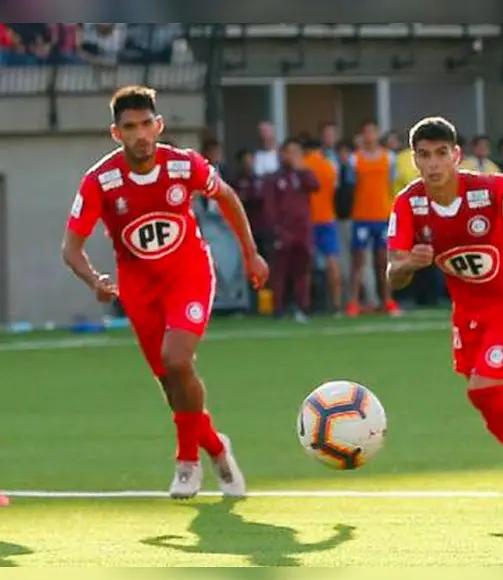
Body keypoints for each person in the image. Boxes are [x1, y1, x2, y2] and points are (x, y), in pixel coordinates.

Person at [60, 85, 269, 498]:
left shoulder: (182, 165)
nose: (140, 135)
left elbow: (226, 196)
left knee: (177, 359)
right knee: (171, 383)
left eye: (145, 125)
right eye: (129, 127)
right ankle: (215, 446)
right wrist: (94, 280)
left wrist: (251, 253)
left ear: (159, 125)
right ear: (115, 133)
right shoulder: (100, 180)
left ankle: (187, 461)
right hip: (138, 288)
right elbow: (71, 247)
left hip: (188, 274)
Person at [387, 117, 503, 493]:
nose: (433, 163)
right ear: (414, 159)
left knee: (482, 389)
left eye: (440, 154)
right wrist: (408, 265)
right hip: (466, 312)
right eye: (424, 155)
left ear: (457, 155)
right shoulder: (409, 203)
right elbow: (392, 274)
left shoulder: (490, 188)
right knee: (486, 401)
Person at [347, 119, 400, 317]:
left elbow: (391, 184)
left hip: (382, 215)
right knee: (358, 261)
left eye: (373, 132)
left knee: (383, 260)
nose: (370, 136)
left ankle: (388, 300)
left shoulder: (389, 158)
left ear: (377, 134)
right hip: (362, 215)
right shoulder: (355, 159)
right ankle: (353, 301)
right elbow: (351, 186)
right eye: (366, 132)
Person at [263, 138, 320, 321]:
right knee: (280, 271)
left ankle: (302, 307)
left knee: (302, 270)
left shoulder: (303, 175)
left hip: (302, 230)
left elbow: (315, 186)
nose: (292, 156)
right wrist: (275, 228)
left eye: (296, 152)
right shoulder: (274, 178)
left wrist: (301, 169)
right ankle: (278, 308)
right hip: (283, 230)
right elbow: (270, 206)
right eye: (289, 152)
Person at [303, 138, 342, 314]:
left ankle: (308, 303)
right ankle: (336, 303)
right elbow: (335, 189)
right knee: (332, 261)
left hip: (309, 219)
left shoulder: (303, 166)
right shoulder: (329, 166)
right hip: (328, 218)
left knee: (307, 263)